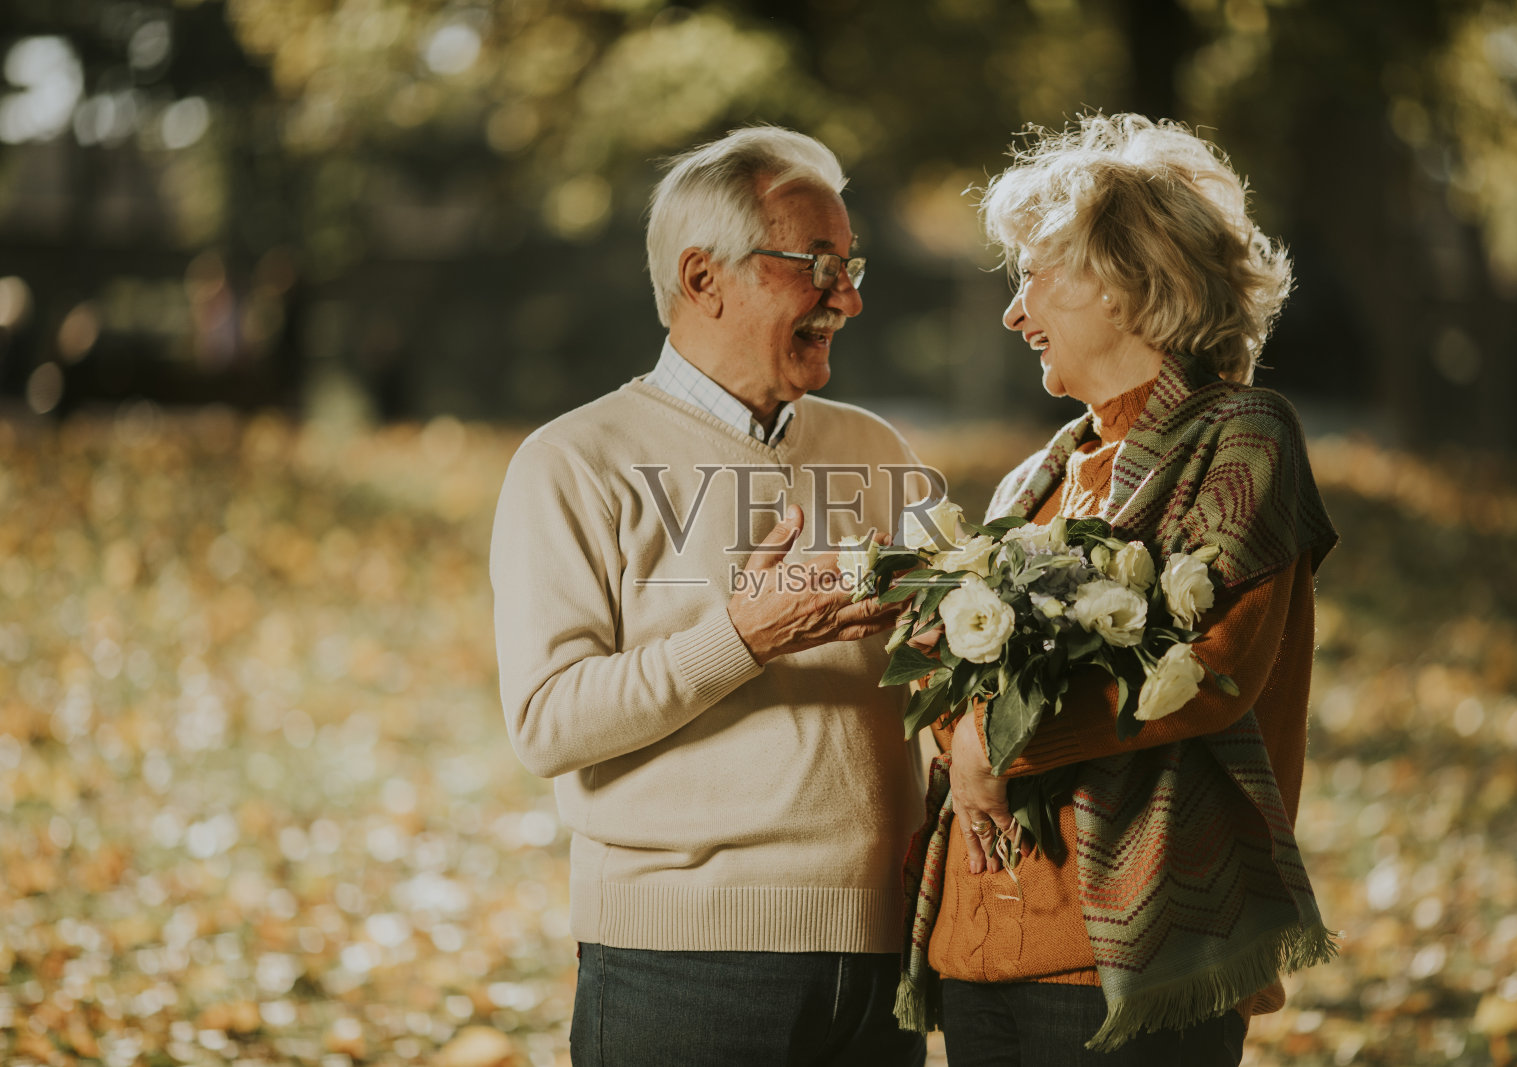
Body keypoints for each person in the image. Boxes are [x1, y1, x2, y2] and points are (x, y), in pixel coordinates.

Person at [900, 114, 1340, 1065]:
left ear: (1125, 276)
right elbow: (947, 672)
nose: (1015, 314)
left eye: (1032, 275)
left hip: (1132, 960)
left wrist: (997, 744)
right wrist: (960, 731)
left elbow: (1209, 668)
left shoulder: (1246, 437)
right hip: (981, 947)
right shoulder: (1035, 480)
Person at [490, 127, 929, 1066]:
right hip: (681, 960)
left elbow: (958, 671)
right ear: (703, 279)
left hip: (887, 954)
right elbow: (546, 720)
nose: (845, 297)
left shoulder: (880, 451)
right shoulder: (571, 462)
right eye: (816, 265)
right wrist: (741, 633)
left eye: (850, 266)